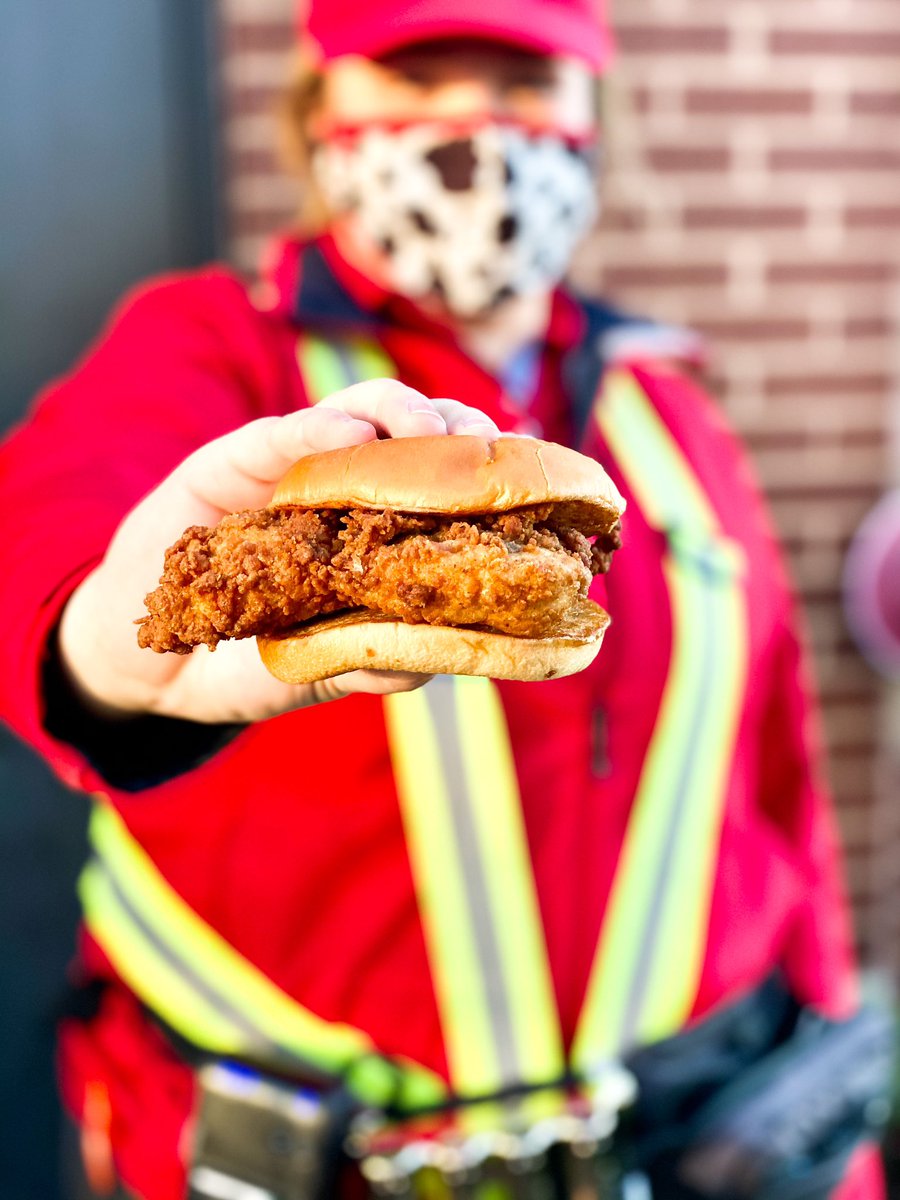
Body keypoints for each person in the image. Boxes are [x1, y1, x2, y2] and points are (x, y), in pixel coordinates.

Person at [0, 1, 888, 1197]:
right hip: (300, 1156)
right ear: (318, 112)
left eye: (523, 82)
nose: (474, 121)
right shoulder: (208, 348)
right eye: (417, 76)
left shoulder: (666, 409)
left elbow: (775, 771)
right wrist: (107, 648)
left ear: (592, 116)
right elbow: (44, 533)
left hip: (692, 1136)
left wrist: (834, 1127)